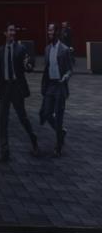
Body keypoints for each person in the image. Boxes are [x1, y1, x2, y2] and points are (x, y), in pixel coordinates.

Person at [0, 24, 38, 161]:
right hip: (5, 88)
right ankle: (4, 153)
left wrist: (28, 65)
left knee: (22, 117)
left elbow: (28, 66)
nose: (13, 33)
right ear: (5, 33)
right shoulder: (0, 50)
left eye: (14, 30)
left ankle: (34, 140)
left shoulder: (21, 48)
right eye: (10, 30)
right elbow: (0, 70)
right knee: (3, 120)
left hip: (16, 88)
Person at [40, 23, 73, 157]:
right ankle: (61, 132)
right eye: (48, 30)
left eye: (51, 30)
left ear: (57, 32)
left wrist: (65, 77)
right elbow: (46, 68)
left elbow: (70, 69)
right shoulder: (47, 49)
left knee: (59, 117)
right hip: (50, 86)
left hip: (60, 86)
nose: (49, 32)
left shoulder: (64, 49)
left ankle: (58, 146)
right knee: (47, 113)